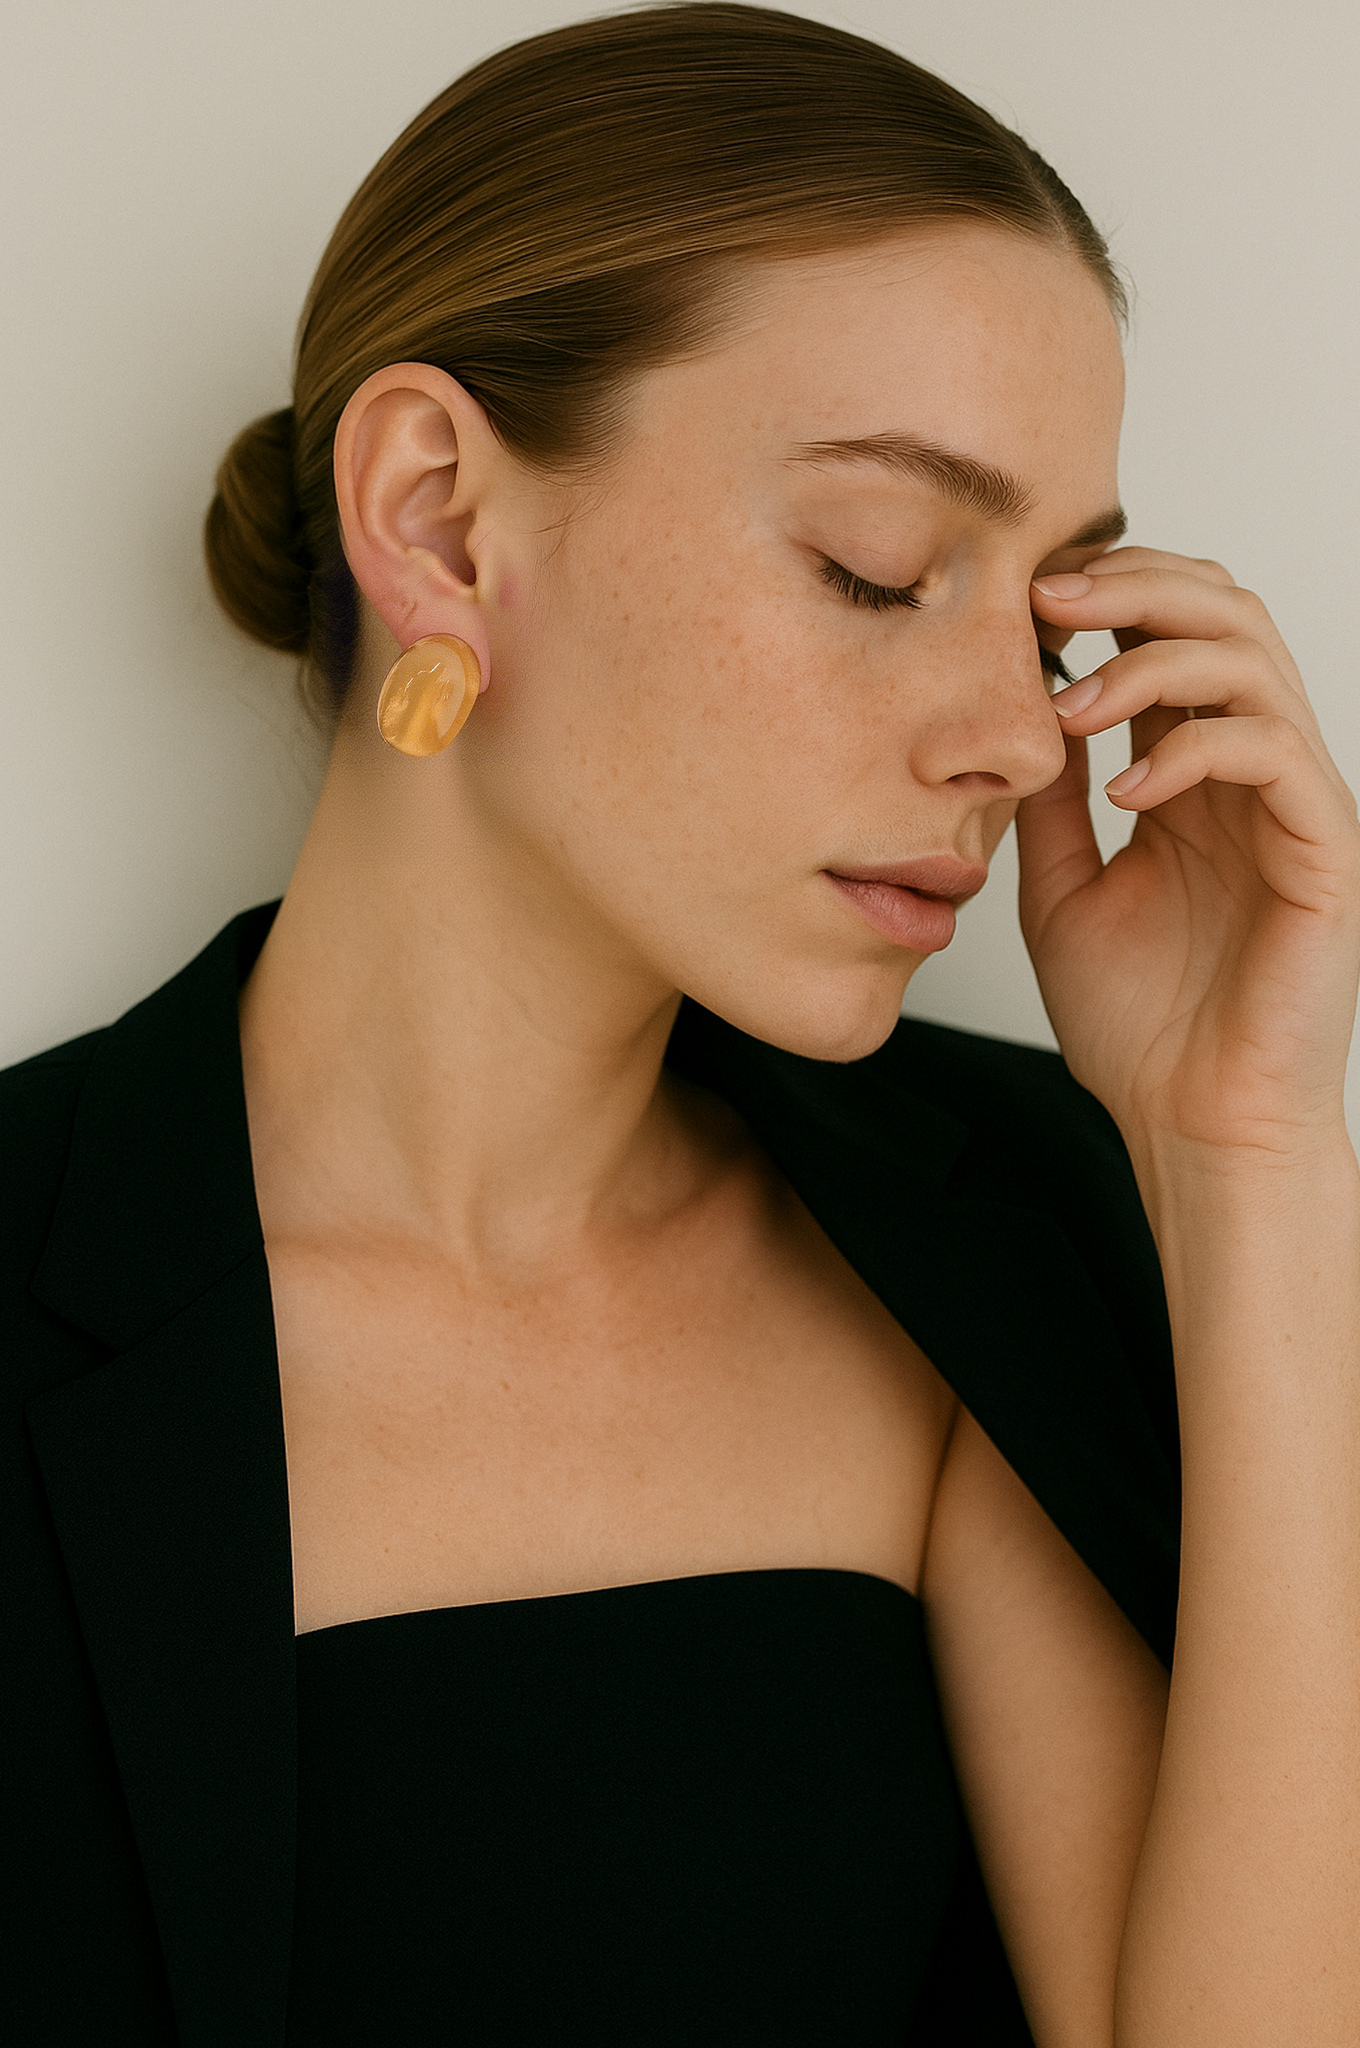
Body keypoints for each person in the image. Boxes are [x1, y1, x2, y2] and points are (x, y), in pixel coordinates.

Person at [4, 4, 1357, 2042]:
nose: (1011, 738)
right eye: (880, 565)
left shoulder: (987, 1237)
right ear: (440, 519)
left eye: (1049, 610)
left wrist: (1240, 1149)